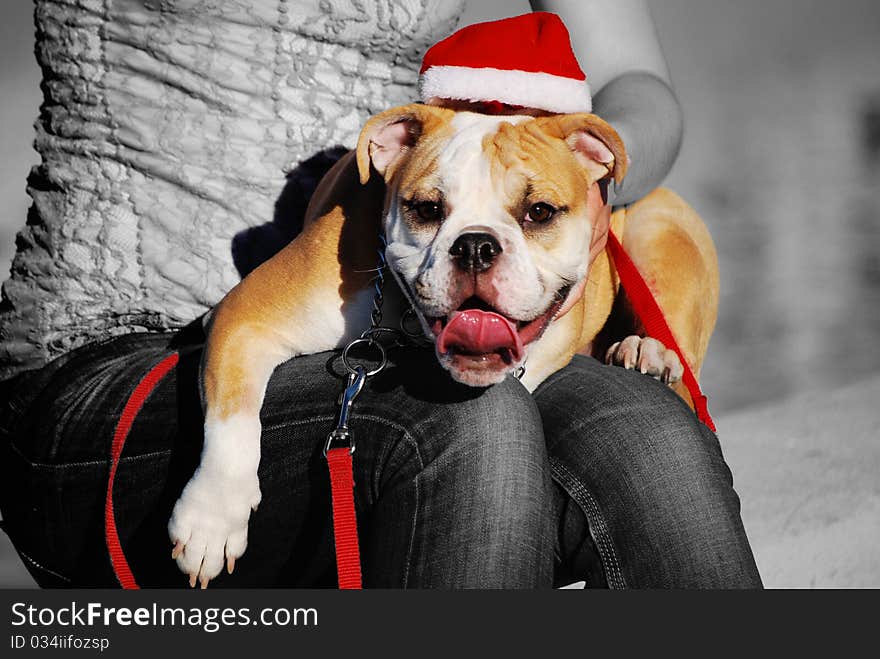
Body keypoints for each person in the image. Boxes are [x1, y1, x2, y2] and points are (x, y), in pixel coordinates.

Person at [0, 0, 761, 588]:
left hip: (414, 294)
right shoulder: (359, 231)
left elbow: (633, 77)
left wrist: (581, 181)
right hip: (115, 351)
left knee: (654, 441)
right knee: (470, 428)